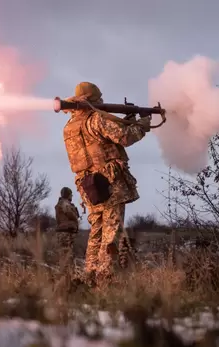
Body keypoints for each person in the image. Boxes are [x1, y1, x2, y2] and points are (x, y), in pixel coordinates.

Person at [62, 81, 150, 285]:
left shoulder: (70, 126)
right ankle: (106, 277)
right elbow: (125, 137)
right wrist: (143, 124)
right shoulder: (97, 119)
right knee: (112, 229)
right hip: (109, 181)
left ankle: (90, 274)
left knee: (97, 230)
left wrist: (127, 120)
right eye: (99, 98)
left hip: (87, 184)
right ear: (93, 99)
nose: (102, 101)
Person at [54, 186, 80, 270]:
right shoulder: (64, 203)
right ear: (68, 195)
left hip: (65, 231)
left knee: (66, 254)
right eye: (71, 195)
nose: (72, 196)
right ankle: (66, 276)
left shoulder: (61, 203)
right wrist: (75, 217)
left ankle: (68, 275)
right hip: (65, 232)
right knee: (66, 254)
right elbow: (69, 212)